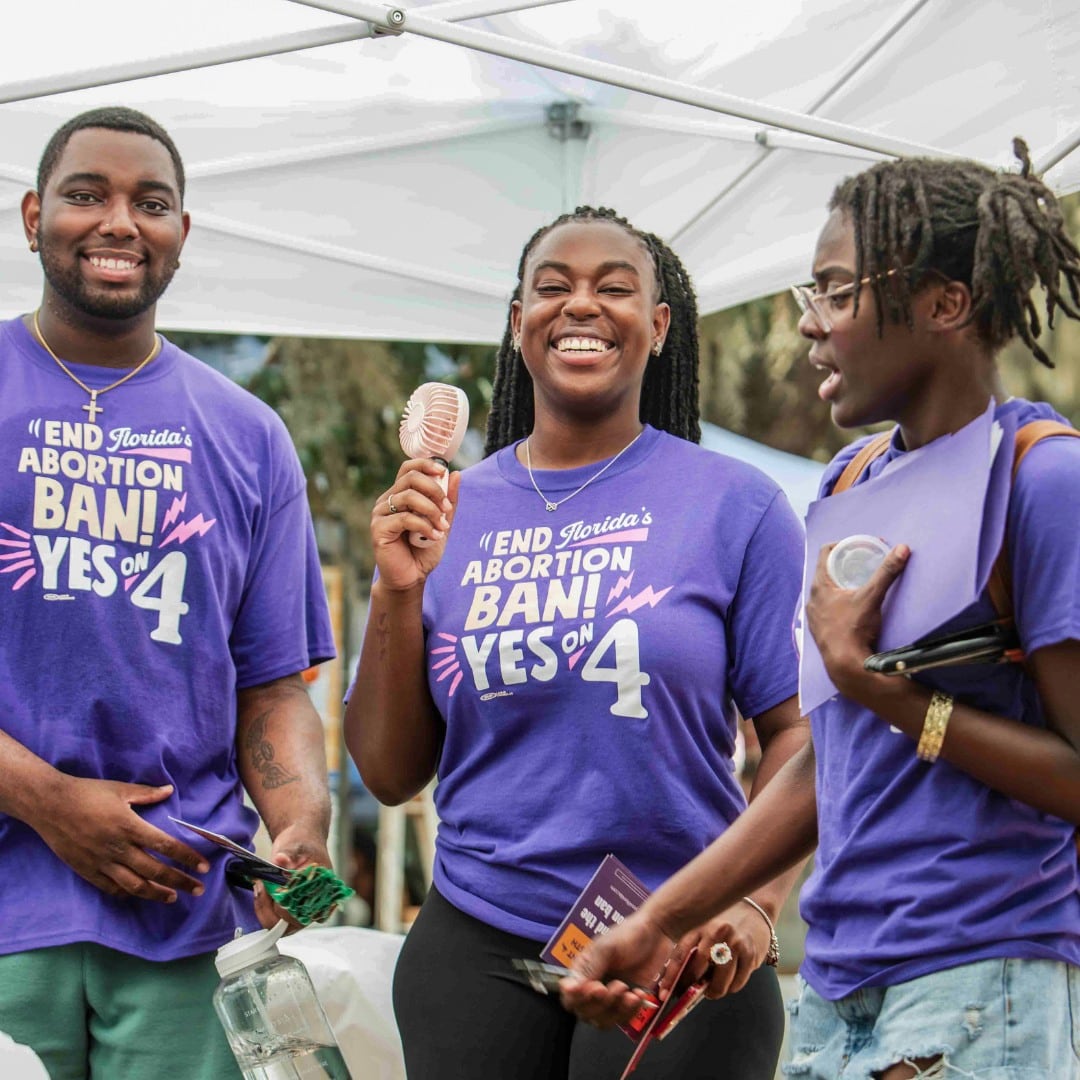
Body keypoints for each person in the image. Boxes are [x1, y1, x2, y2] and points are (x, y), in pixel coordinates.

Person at [562, 148, 1080, 1079]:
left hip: (979, 981)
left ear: (945, 304)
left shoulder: (1041, 478)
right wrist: (660, 921)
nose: (809, 322)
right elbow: (821, 773)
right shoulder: (847, 482)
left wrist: (882, 692)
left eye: (838, 292)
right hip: (838, 990)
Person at [345, 205, 811, 1079]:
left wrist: (751, 901)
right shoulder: (447, 511)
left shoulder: (735, 505)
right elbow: (388, 772)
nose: (581, 306)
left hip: (679, 936)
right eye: (551, 288)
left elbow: (798, 732)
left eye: (615, 288)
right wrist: (396, 590)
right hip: (476, 935)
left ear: (660, 324)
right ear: (518, 324)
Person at [0, 107, 337, 1079]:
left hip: (187, 927)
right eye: (85, 195)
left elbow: (273, 687)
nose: (119, 222)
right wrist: (46, 799)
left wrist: (303, 831)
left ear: (182, 236)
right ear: (33, 218)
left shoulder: (246, 435)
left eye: (151, 203)